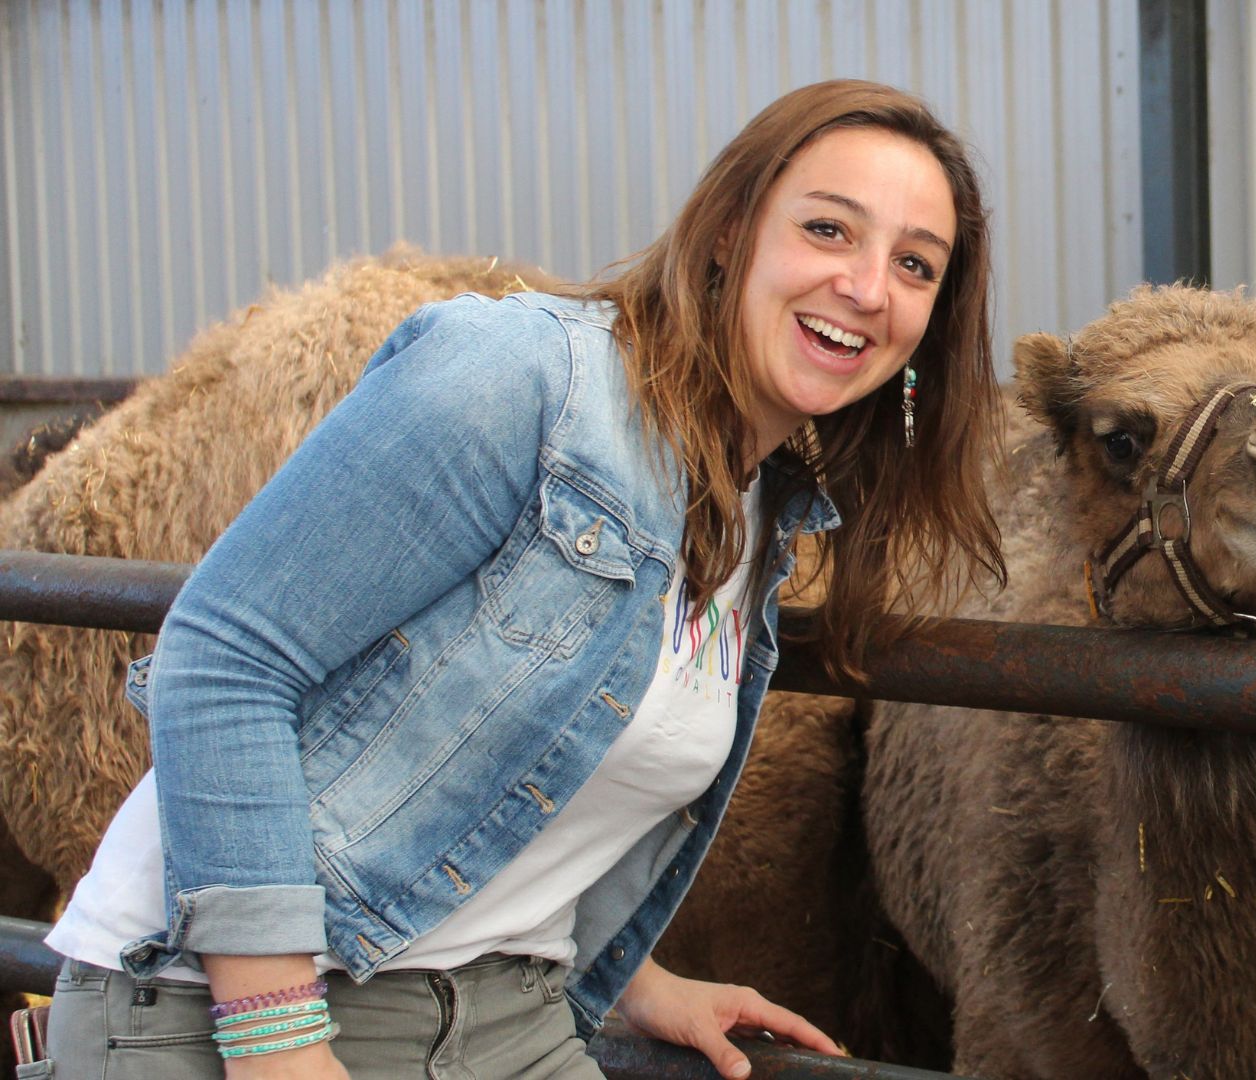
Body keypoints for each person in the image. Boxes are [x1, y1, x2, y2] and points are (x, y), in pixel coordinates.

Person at [40, 79, 1003, 1079]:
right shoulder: (522, 378)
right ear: (728, 231)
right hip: (232, 1013)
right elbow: (222, 662)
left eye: (915, 265)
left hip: (510, 1017)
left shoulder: (764, 516)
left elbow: (540, 771)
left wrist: (638, 979)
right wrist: (276, 1041)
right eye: (828, 229)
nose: (867, 287)